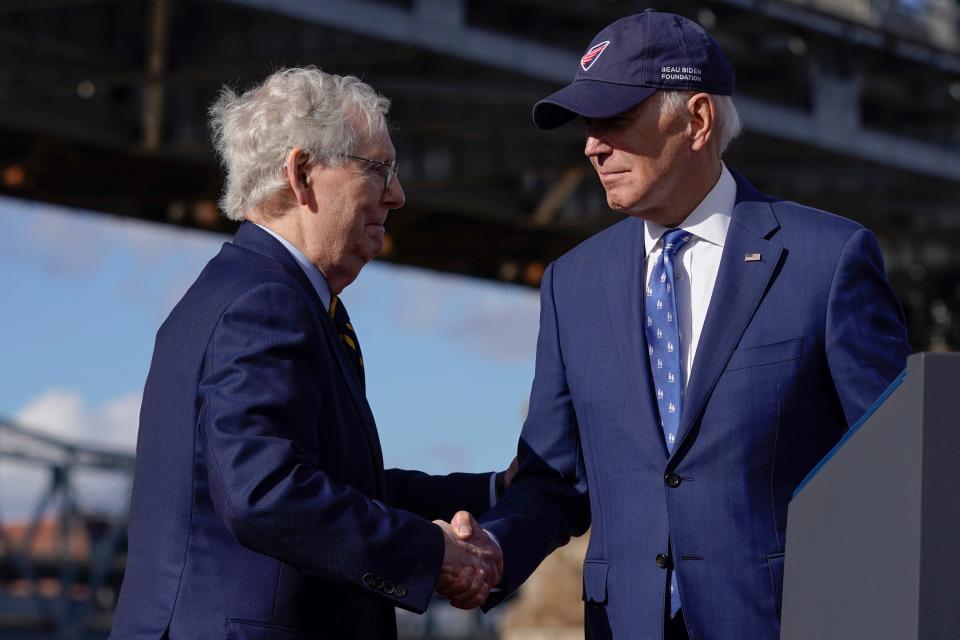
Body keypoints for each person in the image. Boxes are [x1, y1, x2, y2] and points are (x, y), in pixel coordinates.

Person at [470, 11, 911, 640]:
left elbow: (891, 470)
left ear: (697, 119)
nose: (593, 145)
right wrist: (486, 552)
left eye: (615, 119)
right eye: (588, 125)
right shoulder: (573, 284)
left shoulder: (828, 260)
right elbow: (555, 480)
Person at [110, 67, 504, 640]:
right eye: (378, 170)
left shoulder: (253, 293)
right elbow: (265, 494)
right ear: (301, 174)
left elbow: (342, 485)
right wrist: (431, 553)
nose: (397, 195)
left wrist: (493, 493)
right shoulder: (266, 303)